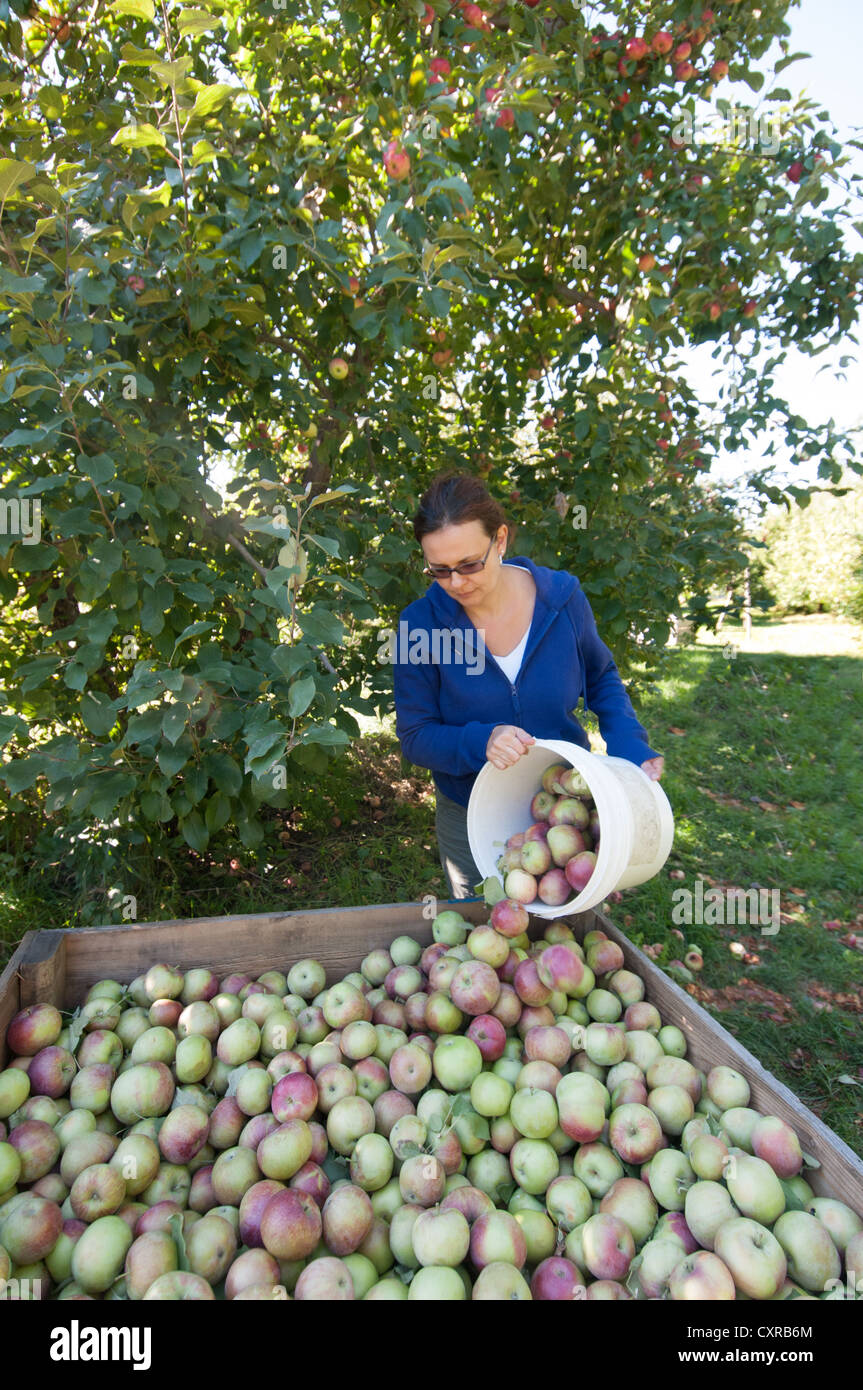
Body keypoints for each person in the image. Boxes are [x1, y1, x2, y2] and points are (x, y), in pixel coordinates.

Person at [392, 473, 665, 899]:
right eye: (439, 570)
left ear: (500, 540)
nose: (457, 583)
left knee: (567, 930)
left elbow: (600, 676)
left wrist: (629, 744)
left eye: (469, 564)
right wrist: (482, 740)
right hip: (473, 813)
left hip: (566, 807)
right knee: (488, 928)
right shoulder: (420, 626)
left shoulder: (562, 600)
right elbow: (415, 735)